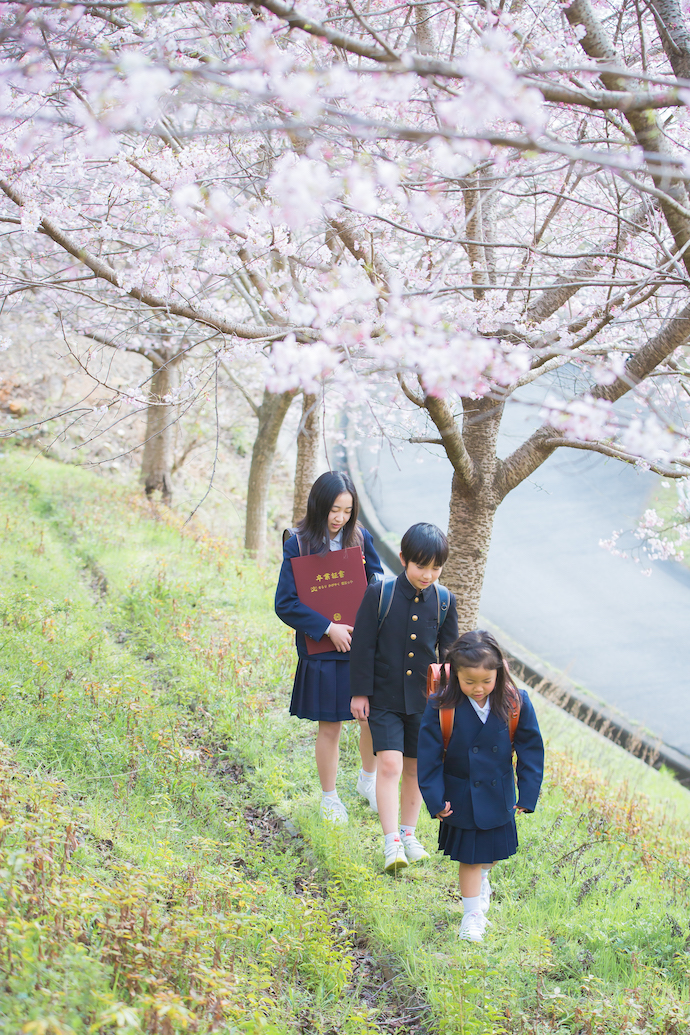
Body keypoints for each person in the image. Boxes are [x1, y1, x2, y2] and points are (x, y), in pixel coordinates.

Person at [417, 630, 544, 942]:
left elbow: (531, 750)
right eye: (469, 681)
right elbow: (429, 756)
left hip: (499, 794)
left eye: (486, 681)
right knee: (470, 859)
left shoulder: (515, 702)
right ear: (454, 674)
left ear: (499, 674)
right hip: (461, 795)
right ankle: (472, 916)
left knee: (488, 857)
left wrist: (527, 793)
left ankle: (484, 878)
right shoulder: (442, 705)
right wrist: (435, 800)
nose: (478, 689)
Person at [275, 471, 383, 824]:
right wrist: (327, 628)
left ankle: (368, 781)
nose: (340, 518)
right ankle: (329, 797)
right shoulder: (298, 542)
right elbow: (286, 602)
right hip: (323, 649)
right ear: (319, 506)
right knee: (331, 725)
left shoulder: (360, 538)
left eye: (347, 511)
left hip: (361, 645)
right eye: (334, 510)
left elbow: (378, 579)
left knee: (369, 718)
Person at [350, 522, 458, 874]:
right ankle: (390, 842)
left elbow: (450, 655)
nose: (428, 575)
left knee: (414, 769)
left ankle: (409, 834)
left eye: (435, 568)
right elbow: (363, 647)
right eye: (420, 566)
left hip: (424, 704)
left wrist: (450, 701)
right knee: (391, 766)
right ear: (402, 560)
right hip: (383, 699)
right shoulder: (379, 594)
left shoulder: (444, 602)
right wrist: (359, 693)